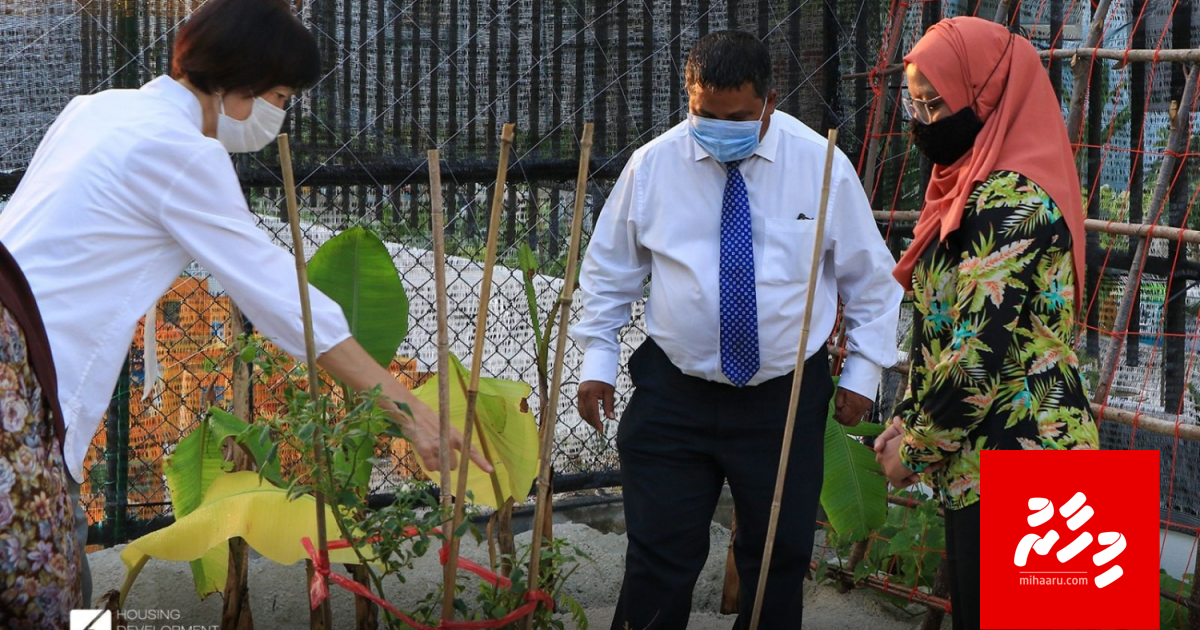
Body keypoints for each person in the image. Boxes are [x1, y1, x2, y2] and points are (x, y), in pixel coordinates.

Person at [0, 0, 487, 623]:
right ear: (242, 86)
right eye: (280, 97)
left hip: (19, 359)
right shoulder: (181, 151)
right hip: (23, 391)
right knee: (51, 593)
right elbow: (283, 298)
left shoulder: (95, 110)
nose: (279, 115)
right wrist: (409, 410)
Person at [574, 30, 903, 630]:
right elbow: (608, 273)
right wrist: (597, 362)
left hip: (784, 397)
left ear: (770, 103)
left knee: (777, 556)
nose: (719, 128)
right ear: (688, 97)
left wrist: (862, 373)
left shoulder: (820, 165)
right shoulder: (653, 167)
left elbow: (871, 281)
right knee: (658, 554)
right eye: (705, 114)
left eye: (738, 118)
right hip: (674, 393)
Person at [874, 16, 1100, 630]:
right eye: (916, 105)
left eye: (938, 104)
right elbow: (944, 330)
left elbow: (974, 359)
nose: (926, 123)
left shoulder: (1009, 201)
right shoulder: (971, 189)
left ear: (985, 95)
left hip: (1026, 470)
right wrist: (908, 418)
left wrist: (912, 449)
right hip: (996, 461)